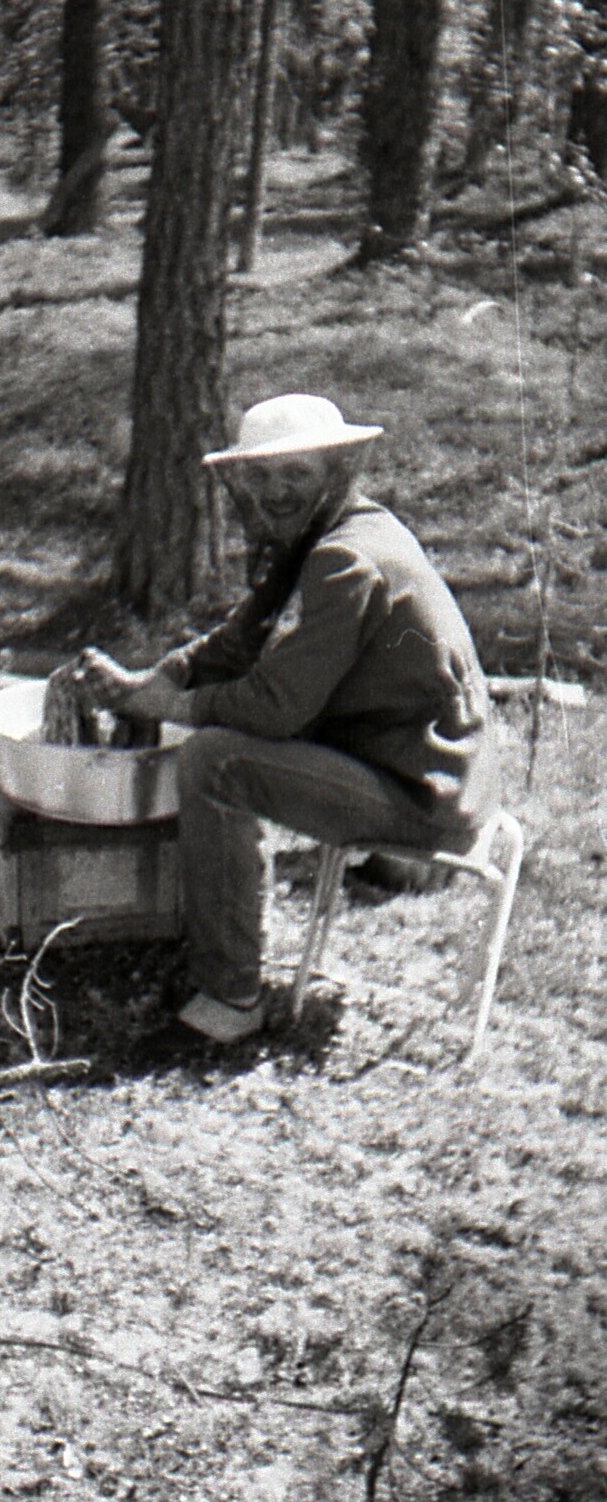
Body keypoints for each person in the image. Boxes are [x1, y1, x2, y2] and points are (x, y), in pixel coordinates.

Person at [79, 394, 498, 1045]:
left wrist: (174, 708)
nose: (276, 492)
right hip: (402, 762)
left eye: (295, 475)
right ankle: (217, 956)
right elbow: (243, 637)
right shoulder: (325, 535)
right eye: (263, 477)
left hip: (426, 792)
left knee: (216, 762)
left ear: (333, 471)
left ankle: (230, 998)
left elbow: (275, 710)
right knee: (218, 746)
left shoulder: (344, 559)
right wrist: (164, 677)